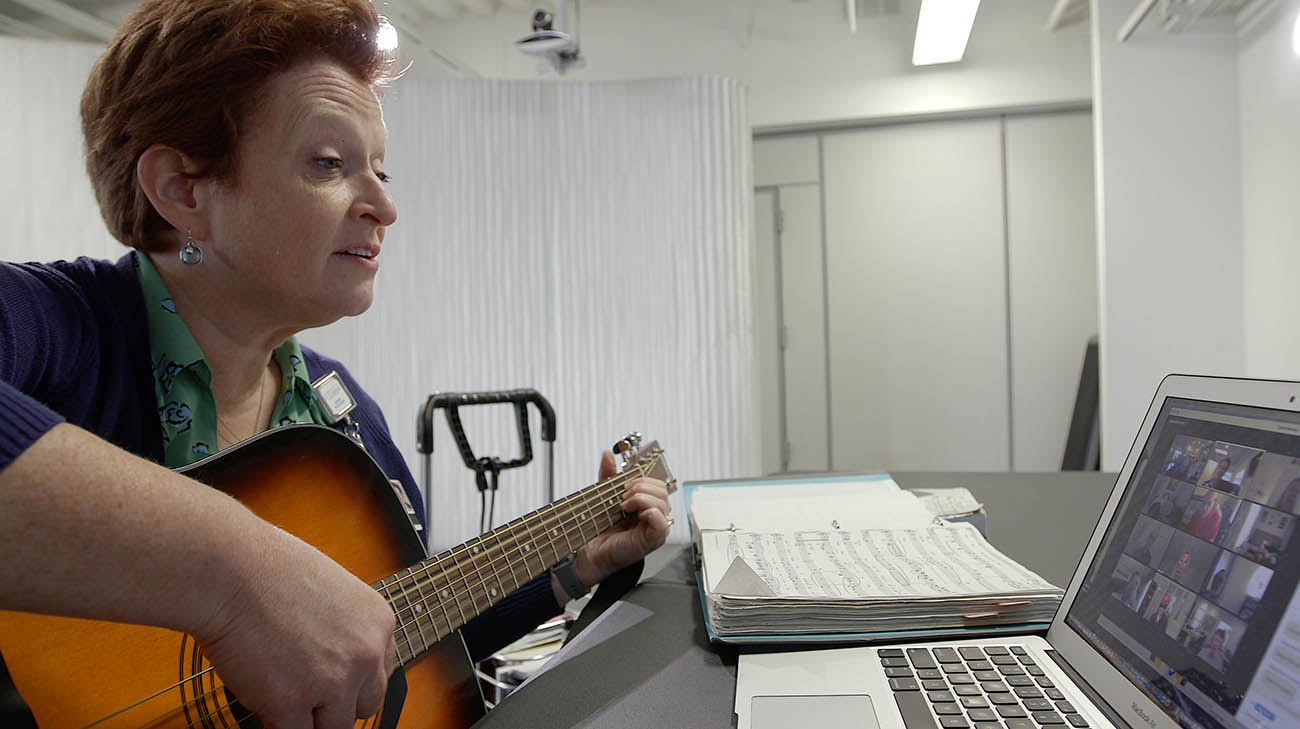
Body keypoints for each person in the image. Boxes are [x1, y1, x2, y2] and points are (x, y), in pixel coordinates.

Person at [0, 1, 671, 727]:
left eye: (379, 169)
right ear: (183, 189)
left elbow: (390, 637)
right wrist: (240, 575)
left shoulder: (342, 412)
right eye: (329, 163)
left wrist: (578, 560)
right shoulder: (54, 327)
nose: (384, 205)